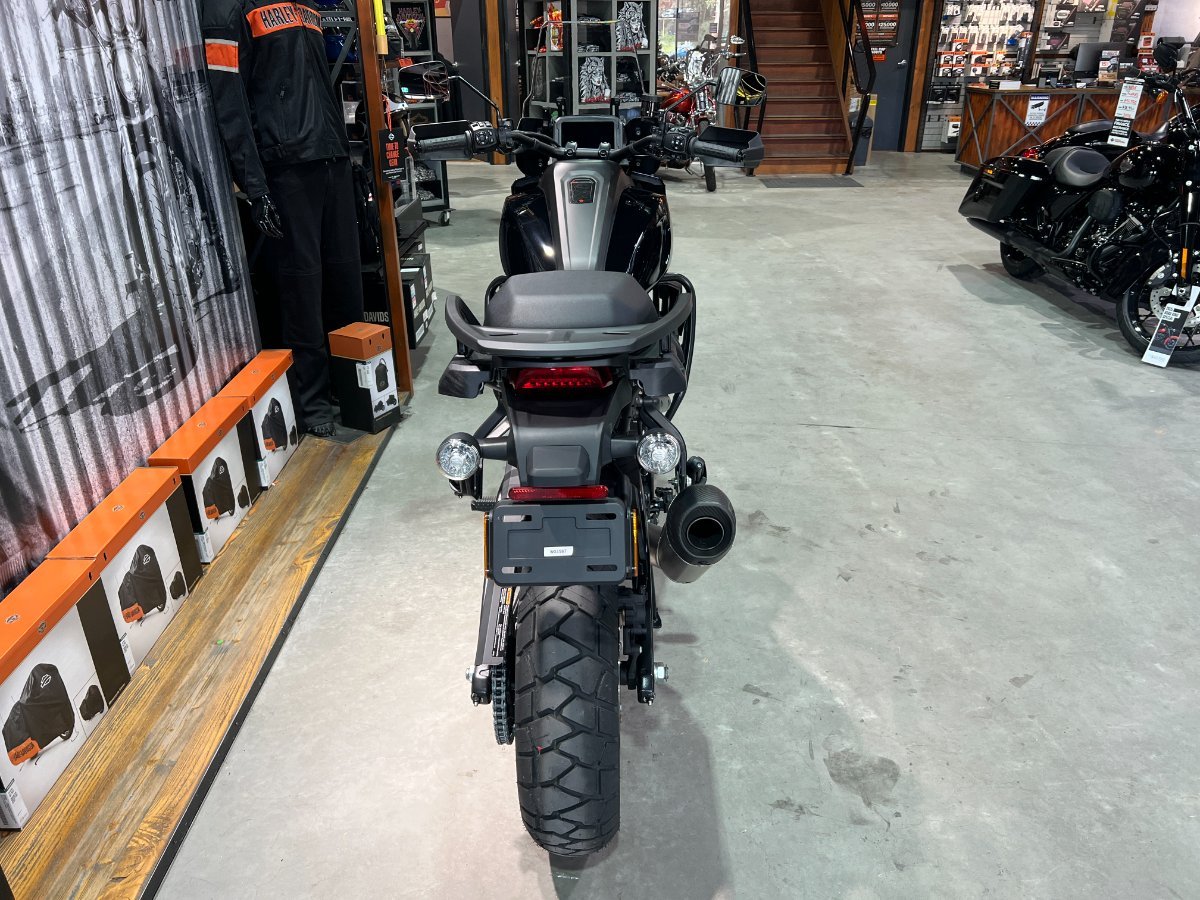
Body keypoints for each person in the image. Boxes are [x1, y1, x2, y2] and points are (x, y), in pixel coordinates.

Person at [199, 0, 364, 437]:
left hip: (331, 158)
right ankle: (312, 403)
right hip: (286, 169)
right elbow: (228, 100)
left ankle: (353, 389)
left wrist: (345, 154)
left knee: (346, 284)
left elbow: (317, 86)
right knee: (301, 291)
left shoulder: (305, 4)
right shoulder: (229, 7)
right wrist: (254, 184)